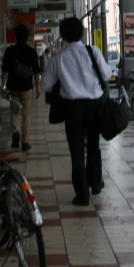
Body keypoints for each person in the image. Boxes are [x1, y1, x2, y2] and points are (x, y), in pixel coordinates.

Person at [42, 18, 111, 206]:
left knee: (77, 151)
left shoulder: (58, 59)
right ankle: (95, 184)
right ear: (82, 34)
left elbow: (46, 85)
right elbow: (106, 75)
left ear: (62, 37)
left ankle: (82, 195)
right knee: (94, 146)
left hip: (72, 109)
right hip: (95, 106)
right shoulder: (93, 51)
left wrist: (65, 83)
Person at [1, 25, 41, 151]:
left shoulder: (9, 51)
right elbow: (36, 73)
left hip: (13, 88)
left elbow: (4, 71)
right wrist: (38, 88)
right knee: (27, 114)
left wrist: (3, 86)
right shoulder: (32, 52)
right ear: (27, 37)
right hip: (26, 88)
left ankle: (15, 132)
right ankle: (25, 141)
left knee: (14, 112)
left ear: (15, 36)